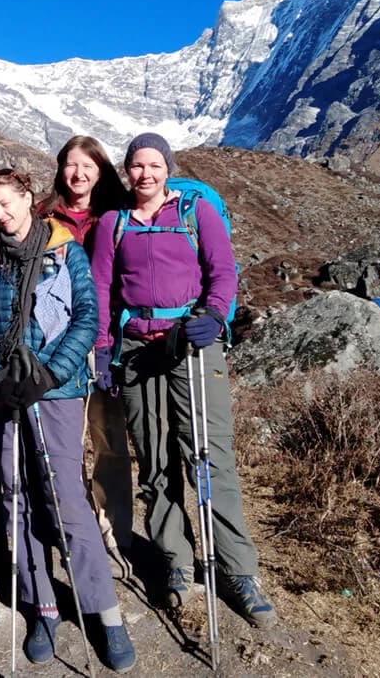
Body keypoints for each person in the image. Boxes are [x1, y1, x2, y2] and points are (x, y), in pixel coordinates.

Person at [88, 132, 276, 627]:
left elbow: (223, 271)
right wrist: (104, 351)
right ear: (126, 172)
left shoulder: (196, 214)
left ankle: (238, 570)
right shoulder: (114, 223)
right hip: (135, 348)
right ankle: (176, 559)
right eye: (136, 166)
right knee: (154, 460)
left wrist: (214, 315)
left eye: (153, 165)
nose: (144, 174)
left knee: (210, 457)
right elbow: (103, 290)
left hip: (192, 346)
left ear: (167, 168)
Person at [0, 169, 135, 672]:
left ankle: (106, 613)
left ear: (27, 199)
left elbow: (87, 316)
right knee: (16, 498)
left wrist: (52, 371)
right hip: (4, 395)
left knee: (65, 499)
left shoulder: (64, 251)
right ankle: (44, 606)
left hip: (55, 392)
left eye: (6, 203)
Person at [36, 136, 132, 569]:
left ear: (101, 171)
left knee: (109, 440)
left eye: (87, 166)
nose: (78, 174)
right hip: (57, 346)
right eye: (71, 165)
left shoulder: (117, 217)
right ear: (60, 170)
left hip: (106, 341)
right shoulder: (42, 218)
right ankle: (73, 528)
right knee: (65, 445)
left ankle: (115, 531)